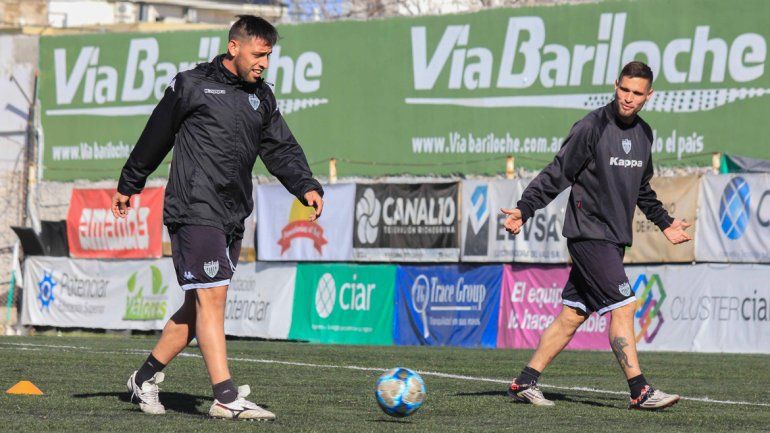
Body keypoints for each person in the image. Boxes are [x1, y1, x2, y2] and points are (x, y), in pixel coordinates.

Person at [112, 15, 324, 420]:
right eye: (258, 54)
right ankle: (225, 396)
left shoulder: (261, 98)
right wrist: (130, 182)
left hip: (231, 211)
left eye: (269, 56)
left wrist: (305, 184)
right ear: (234, 48)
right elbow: (156, 134)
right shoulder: (191, 84)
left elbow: (280, 147)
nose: (263, 62)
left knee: (197, 307)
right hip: (194, 206)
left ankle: (143, 379)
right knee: (212, 296)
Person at [500, 61, 691, 410]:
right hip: (589, 233)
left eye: (637, 93)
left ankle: (524, 382)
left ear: (649, 96)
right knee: (625, 304)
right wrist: (525, 208)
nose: (628, 98)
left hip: (614, 238)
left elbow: (642, 190)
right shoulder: (591, 126)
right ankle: (639, 390)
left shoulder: (645, 135)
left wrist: (664, 222)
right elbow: (558, 173)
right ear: (615, 84)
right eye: (624, 89)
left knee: (573, 315)